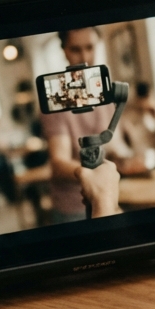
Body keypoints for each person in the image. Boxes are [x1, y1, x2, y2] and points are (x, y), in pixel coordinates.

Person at [42, 27, 122, 219]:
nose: (84, 56)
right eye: (76, 49)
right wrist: (88, 175)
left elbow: (115, 144)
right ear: (64, 51)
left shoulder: (104, 92)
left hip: (107, 197)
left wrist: (129, 158)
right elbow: (58, 163)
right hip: (72, 205)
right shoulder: (57, 96)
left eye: (90, 47)